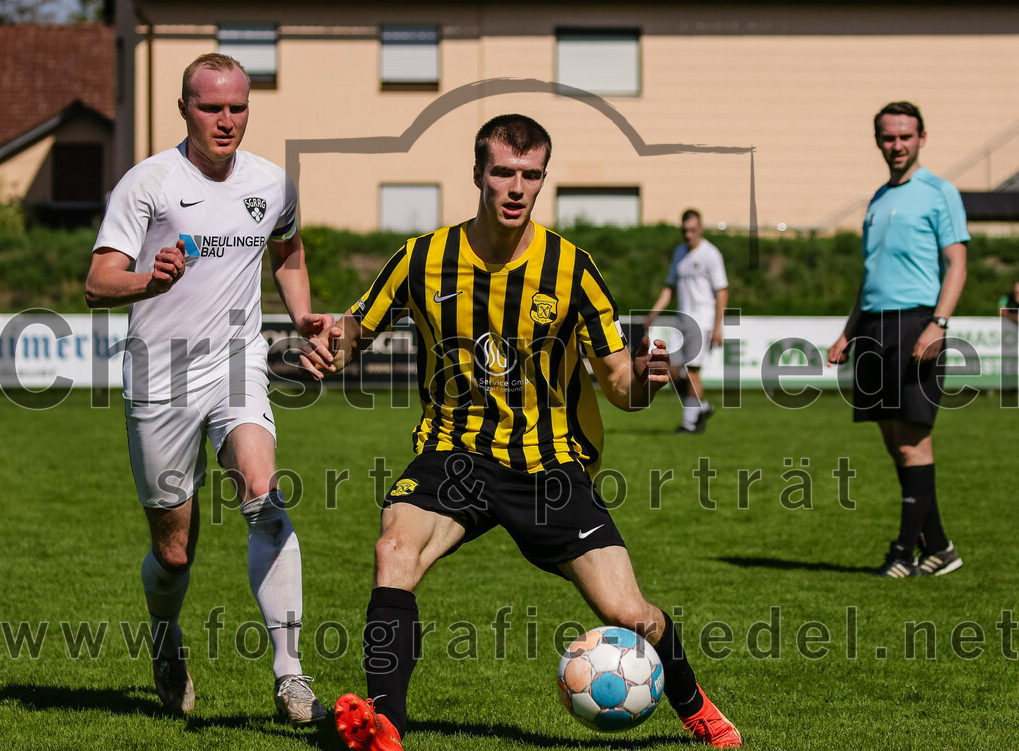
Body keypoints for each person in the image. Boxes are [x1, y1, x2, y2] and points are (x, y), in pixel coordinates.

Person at [301, 114, 741, 749]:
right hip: (453, 451)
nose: (515, 188)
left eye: (530, 176)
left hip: (550, 467)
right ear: (477, 174)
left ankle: (696, 706)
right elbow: (353, 333)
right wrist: (325, 348)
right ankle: (385, 726)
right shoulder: (423, 258)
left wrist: (649, 378)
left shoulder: (572, 269)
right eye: (502, 173)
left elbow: (619, 385)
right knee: (395, 551)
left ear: (541, 181)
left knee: (627, 613)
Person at [84, 53, 329, 723]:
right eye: (211, 107)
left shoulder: (273, 183)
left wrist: (303, 317)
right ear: (184, 109)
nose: (226, 120)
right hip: (159, 376)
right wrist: (149, 281)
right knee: (174, 551)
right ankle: (166, 638)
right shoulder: (149, 183)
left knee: (263, 493)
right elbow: (97, 280)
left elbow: (290, 253)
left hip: (236, 362)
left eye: (238, 107)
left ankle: (290, 676)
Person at [827, 101, 968, 578]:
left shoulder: (940, 192)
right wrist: (849, 331)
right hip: (874, 329)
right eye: (889, 137)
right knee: (894, 445)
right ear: (878, 141)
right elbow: (869, 277)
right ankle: (941, 547)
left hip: (917, 324)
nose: (898, 145)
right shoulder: (879, 199)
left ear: (922, 138)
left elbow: (957, 263)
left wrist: (939, 324)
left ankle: (903, 552)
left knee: (913, 445)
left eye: (906, 136)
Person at [644, 209, 729, 433]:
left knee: (692, 372)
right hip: (683, 320)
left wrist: (719, 326)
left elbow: (722, 291)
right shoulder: (680, 253)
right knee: (670, 371)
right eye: (685, 230)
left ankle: (689, 423)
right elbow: (669, 287)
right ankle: (701, 407)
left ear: (700, 228)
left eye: (692, 230)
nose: (688, 235)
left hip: (702, 321)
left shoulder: (711, 254)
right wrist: (653, 313)